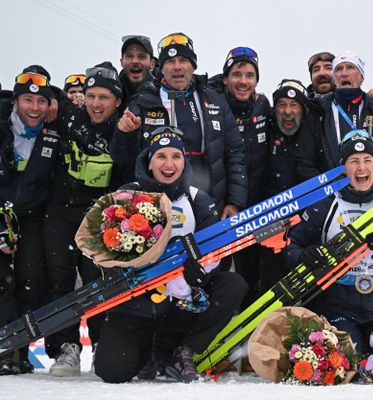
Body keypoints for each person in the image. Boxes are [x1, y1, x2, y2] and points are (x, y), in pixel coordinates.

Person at [94, 126, 248, 383]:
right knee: (111, 371)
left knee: (233, 284)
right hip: (137, 306)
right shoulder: (127, 195)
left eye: (176, 156)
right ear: (149, 161)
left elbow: (215, 252)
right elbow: (102, 249)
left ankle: (184, 349)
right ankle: (149, 353)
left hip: (180, 305)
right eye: (161, 156)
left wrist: (201, 273)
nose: (169, 164)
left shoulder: (198, 200)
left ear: (184, 162)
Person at [284, 130, 373, 370]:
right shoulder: (325, 204)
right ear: (343, 168)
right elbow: (291, 249)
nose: (361, 168)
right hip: (338, 304)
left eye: (367, 161)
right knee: (345, 368)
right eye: (353, 161)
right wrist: (304, 255)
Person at [43, 62, 125, 377]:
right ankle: (66, 349)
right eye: (90, 95)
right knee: (59, 280)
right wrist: (52, 99)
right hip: (61, 210)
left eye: (104, 97)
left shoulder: (124, 129)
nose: (95, 103)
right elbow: (31, 92)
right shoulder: (69, 113)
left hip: (97, 214)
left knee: (97, 282)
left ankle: (103, 342)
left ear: (117, 100)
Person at [110, 32, 247, 218]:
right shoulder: (143, 102)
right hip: (156, 209)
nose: (177, 67)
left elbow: (235, 153)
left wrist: (234, 201)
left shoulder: (215, 100)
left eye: (183, 60)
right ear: (161, 68)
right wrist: (124, 134)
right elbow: (122, 160)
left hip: (209, 204)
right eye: (170, 62)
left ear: (193, 65)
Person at [0, 66, 61, 375]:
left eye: (41, 102)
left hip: (34, 218)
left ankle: (19, 351)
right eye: (27, 100)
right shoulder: (2, 129)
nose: (34, 109)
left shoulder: (53, 130)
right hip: (1, 213)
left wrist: (58, 101)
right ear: (15, 102)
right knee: (2, 282)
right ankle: (4, 350)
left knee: (30, 280)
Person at [207, 47, 270, 304]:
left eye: (249, 75)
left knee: (251, 275)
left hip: (254, 208)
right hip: (221, 209)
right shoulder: (210, 105)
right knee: (216, 275)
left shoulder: (263, 106)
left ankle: (248, 329)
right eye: (236, 74)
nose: (243, 81)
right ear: (225, 78)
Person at [294, 51, 373, 181]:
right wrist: (330, 189)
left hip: (370, 191)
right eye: (338, 69)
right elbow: (305, 163)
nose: (344, 73)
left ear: (361, 76)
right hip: (332, 194)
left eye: (350, 67)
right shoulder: (316, 112)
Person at [258, 79, 308, 292]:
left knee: (302, 278)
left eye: (294, 105)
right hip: (269, 217)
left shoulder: (313, 132)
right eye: (282, 105)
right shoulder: (266, 131)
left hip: (305, 219)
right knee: (268, 277)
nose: (288, 111)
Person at [119, 35, 156, 108]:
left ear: (152, 63)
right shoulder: (112, 93)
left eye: (141, 56)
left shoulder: (162, 92)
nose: (135, 61)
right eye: (129, 56)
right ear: (121, 62)